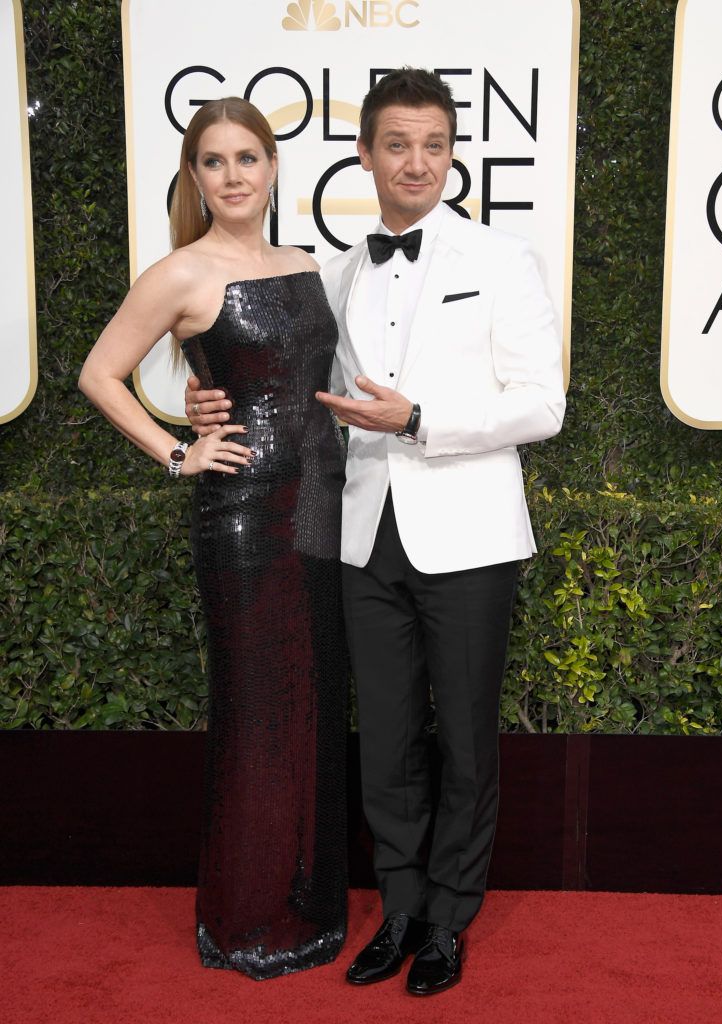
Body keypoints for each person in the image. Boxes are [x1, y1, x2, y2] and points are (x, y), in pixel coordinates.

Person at [186, 69, 565, 995]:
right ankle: (397, 910)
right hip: (358, 535)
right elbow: (272, 375)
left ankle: (449, 917)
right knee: (387, 737)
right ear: (365, 155)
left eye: (434, 145)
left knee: (466, 739)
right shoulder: (335, 272)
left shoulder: (502, 260)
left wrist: (422, 419)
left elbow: (543, 406)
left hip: (469, 536)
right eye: (397, 144)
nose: (417, 162)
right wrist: (198, 406)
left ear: (451, 154)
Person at [79, 97, 348, 979]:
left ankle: (307, 897)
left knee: (312, 702)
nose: (233, 176)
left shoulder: (306, 263)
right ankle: (245, 915)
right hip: (242, 514)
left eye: (248, 157)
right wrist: (175, 451)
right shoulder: (180, 274)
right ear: (194, 178)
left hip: (321, 509)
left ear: (273, 167)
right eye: (214, 162)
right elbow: (98, 374)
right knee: (255, 709)